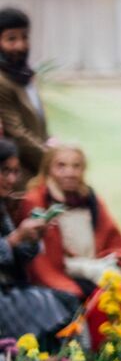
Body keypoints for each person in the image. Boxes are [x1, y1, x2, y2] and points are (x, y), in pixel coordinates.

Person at [18, 141, 121, 297]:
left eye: (76, 166)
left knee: (119, 288)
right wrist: (86, 269)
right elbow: (40, 261)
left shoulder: (89, 198)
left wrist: (113, 263)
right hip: (62, 276)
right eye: (61, 166)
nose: (70, 173)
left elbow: (112, 237)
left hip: (96, 265)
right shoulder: (36, 200)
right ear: (48, 169)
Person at [0, 138, 76, 342]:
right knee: (58, 311)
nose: (11, 179)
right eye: (5, 171)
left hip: (11, 288)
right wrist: (16, 238)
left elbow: (16, 259)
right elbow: (9, 247)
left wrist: (33, 238)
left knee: (69, 302)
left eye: (15, 172)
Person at [0, 8, 49, 178]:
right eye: (11, 39)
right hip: (18, 179)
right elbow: (17, 134)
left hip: (39, 174)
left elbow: (38, 125)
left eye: (25, 37)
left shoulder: (25, 76)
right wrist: (53, 160)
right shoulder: (2, 81)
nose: (21, 45)